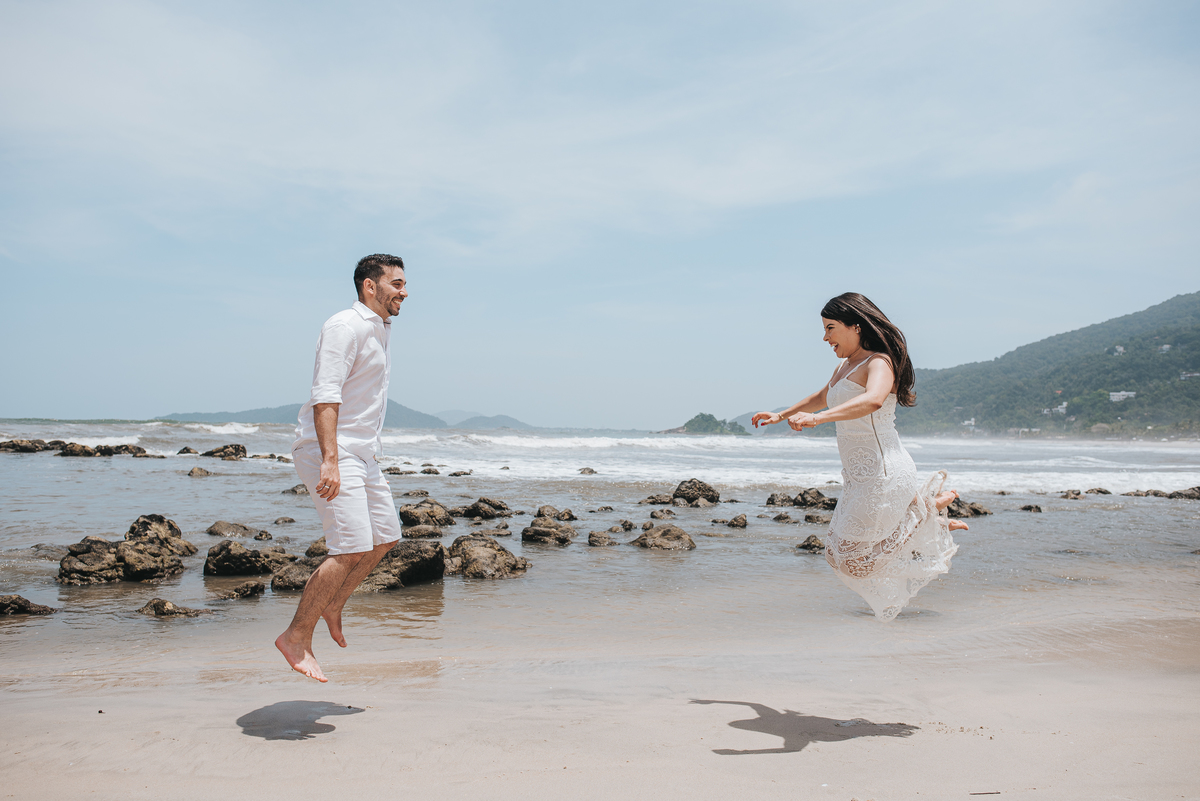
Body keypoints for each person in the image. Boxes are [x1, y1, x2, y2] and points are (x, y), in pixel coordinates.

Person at [752, 292, 966, 621]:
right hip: (858, 475)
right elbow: (823, 396)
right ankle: (926, 519)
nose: (825, 338)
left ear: (856, 326)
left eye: (830, 328)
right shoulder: (844, 366)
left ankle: (924, 517)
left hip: (884, 472)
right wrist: (782, 415)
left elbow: (874, 399)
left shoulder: (879, 362)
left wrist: (819, 419)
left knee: (855, 563)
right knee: (834, 555)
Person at [275, 253, 409, 681]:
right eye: (396, 284)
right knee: (349, 547)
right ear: (370, 286)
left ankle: (332, 603)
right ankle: (295, 636)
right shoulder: (344, 326)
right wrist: (330, 461)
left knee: (385, 537)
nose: (405, 292)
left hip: (362, 454)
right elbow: (326, 395)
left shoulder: (379, 328)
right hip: (331, 450)